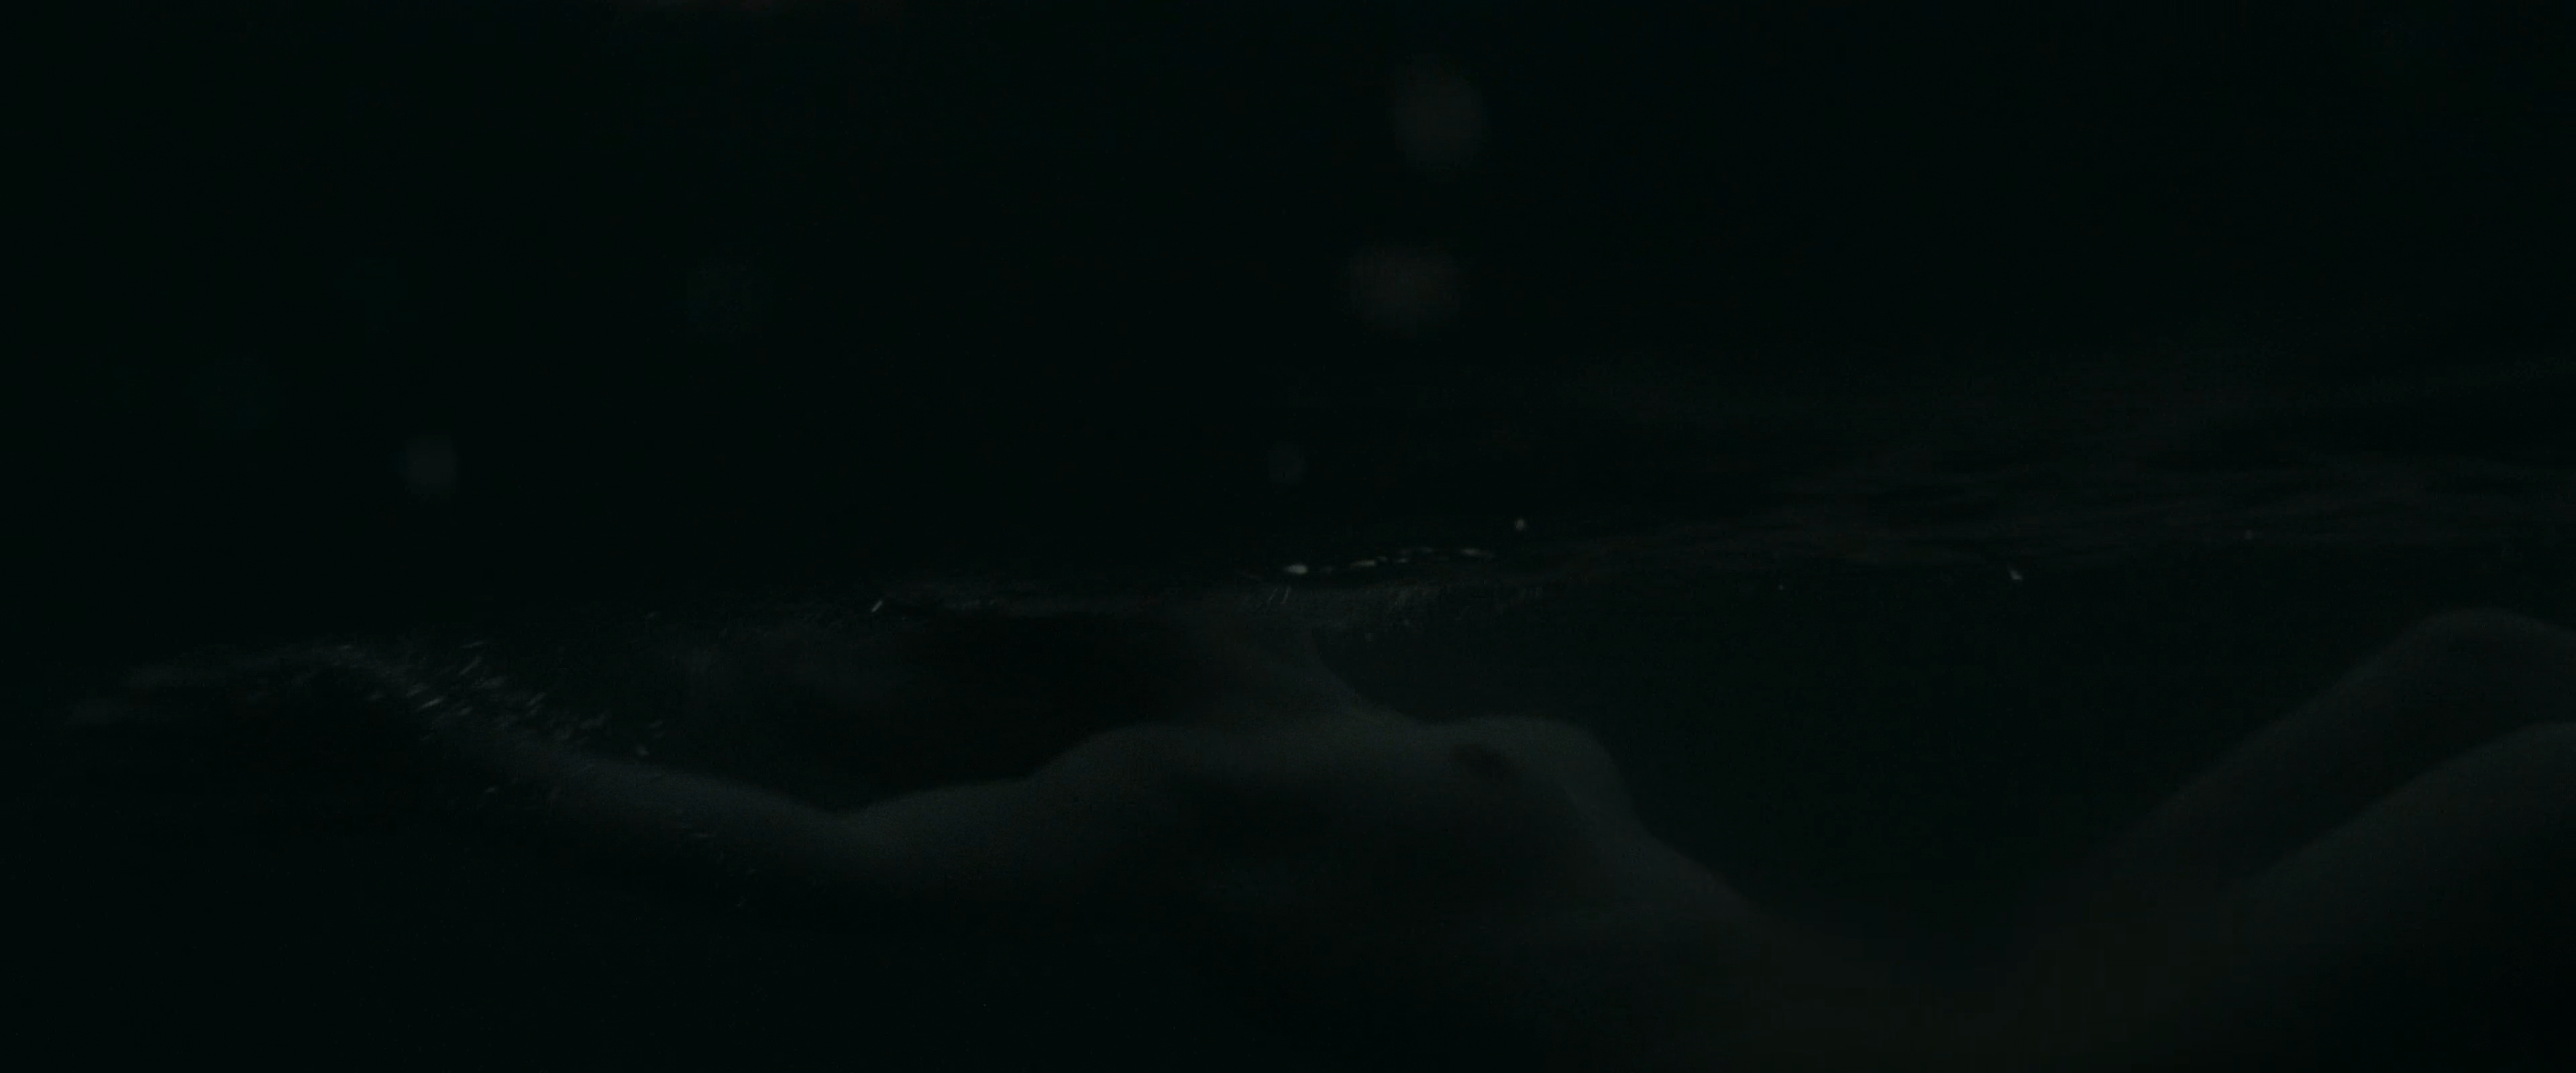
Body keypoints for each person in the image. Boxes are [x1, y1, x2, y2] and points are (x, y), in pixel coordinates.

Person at [116, 604, 2576, 1071]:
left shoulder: (1309, 700)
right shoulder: (1183, 793)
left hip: (1985, 1004)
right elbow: (820, 868)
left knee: (2470, 658)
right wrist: (438, 740)